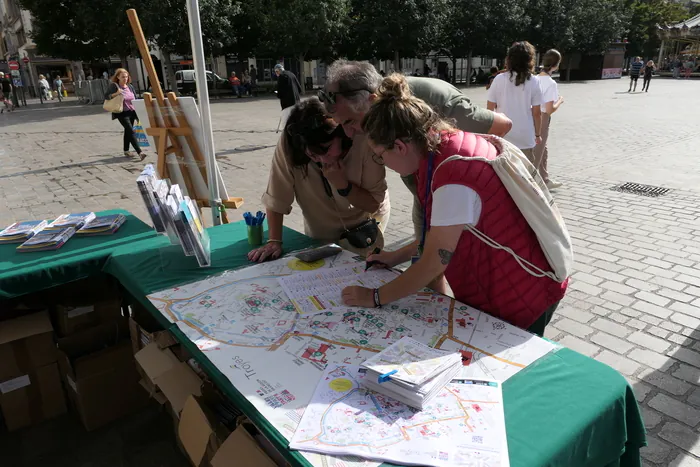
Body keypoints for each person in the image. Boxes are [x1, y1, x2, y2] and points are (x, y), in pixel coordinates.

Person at [340, 74, 567, 336]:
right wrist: (393, 256)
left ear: (400, 146)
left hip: (522, 294)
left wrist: (375, 296)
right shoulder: (442, 146)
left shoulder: (453, 175)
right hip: (517, 280)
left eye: (380, 157)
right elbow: (443, 235)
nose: (384, 165)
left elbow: (434, 262)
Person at [320, 59, 513, 263]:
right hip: (424, 191)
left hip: (462, 195)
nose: (349, 134)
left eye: (350, 122)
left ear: (372, 100)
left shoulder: (438, 102)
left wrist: (466, 184)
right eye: (342, 125)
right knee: (425, 258)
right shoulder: (363, 119)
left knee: (450, 260)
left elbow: (502, 127)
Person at [248, 97, 390, 262]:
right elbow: (276, 196)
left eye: (327, 149)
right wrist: (274, 241)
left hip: (363, 229)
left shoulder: (361, 139)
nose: (322, 160)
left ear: (342, 134)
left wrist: (342, 185)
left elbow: (373, 204)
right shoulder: (291, 143)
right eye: (313, 154)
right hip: (320, 231)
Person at [487, 41, 542, 164]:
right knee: (525, 177)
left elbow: (489, 110)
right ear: (529, 60)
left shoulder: (499, 79)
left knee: (503, 176)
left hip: (503, 134)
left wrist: (488, 133)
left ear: (509, 59)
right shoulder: (534, 81)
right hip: (525, 136)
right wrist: (538, 134)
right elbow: (537, 113)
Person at [534, 49, 565, 190]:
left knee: (542, 148)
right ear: (556, 65)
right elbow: (549, 109)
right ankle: (534, 181)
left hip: (531, 115)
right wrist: (560, 101)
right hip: (543, 117)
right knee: (538, 150)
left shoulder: (534, 79)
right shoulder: (551, 83)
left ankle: (544, 178)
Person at [104, 68, 147, 160]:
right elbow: (106, 96)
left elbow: (134, 99)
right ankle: (140, 152)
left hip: (131, 112)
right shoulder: (114, 86)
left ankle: (126, 150)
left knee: (128, 131)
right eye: (123, 77)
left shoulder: (130, 86)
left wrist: (138, 112)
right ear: (118, 77)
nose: (125, 79)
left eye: (127, 77)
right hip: (121, 112)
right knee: (131, 131)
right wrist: (116, 93)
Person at [274, 63, 302, 129]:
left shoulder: (281, 76)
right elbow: (299, 89)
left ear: (278, 71)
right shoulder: (292, 74)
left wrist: (277, 94)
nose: (276, 74)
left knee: (286, 123)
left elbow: (280, 93)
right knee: (296, 120)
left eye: (276, 72)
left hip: (287, 104)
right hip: (297, 102)